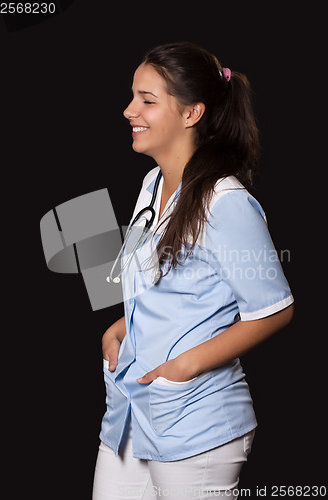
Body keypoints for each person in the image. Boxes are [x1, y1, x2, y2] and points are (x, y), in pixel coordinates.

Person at [92, 42, 294, 500]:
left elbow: (275, 310)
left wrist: (184, 367)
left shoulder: (226, 203)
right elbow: (175, 287)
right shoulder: (153, 183)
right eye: (132, 96)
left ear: (191, 113)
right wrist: (122, 327)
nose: (129, 111)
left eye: (147, 100)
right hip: (130, 415)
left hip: (194, 422)